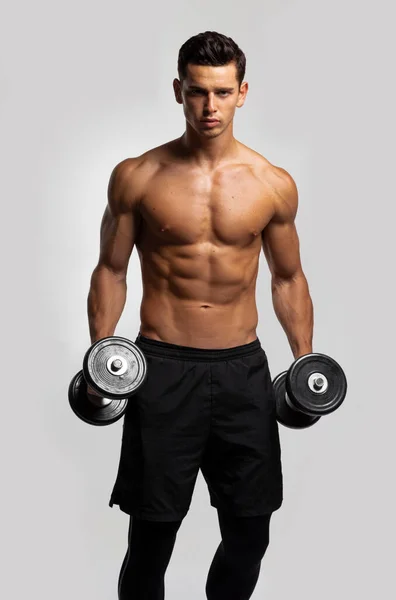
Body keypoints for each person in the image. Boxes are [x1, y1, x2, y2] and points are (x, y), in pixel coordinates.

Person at [87, 31, 313, 600]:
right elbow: (111, 270)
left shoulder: (272, 184)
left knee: (250, 530)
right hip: (162, 367)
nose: (208, 108)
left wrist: (306, 363)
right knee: (152, 534)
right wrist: (102, 356)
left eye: (219, 92)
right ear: (177, 91)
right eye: (195, 93)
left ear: (242, 93)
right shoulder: (138, 176)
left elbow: (288, 278)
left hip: (242, 373)